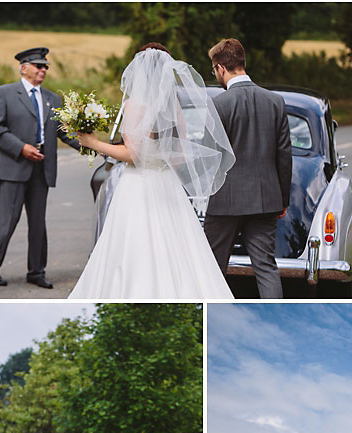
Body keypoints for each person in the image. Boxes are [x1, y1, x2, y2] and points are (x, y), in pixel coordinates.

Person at [70, 45, 235, 299]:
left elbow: (132, 155)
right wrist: (159, 158)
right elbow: (178, 152)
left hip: (138, 185)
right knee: (177, 246)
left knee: (132, 246)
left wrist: (94, 144)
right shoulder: (173, 106)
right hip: (166, 183)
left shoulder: (134, 105)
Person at [0, 47, 80, 289]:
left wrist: (92, 147)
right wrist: (22, 148)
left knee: (38, 224)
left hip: (41, 171)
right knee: (5, 222)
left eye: (45, 66)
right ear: (23, 67)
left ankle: (36, 272)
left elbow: (62, 133)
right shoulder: (4, 93)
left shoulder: (52, 98)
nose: (43, 69)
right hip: (13, 167)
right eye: (38, 65)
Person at [206, 38, 291, 299]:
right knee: (266, 267)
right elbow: (284, 155)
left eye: (213, 70)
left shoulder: (218, 104)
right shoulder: (275, 101)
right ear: (242, 63)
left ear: (220, 68)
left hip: (224, 202)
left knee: (212, 267)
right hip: (266, 200)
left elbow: (209, 156)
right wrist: (283, 200)